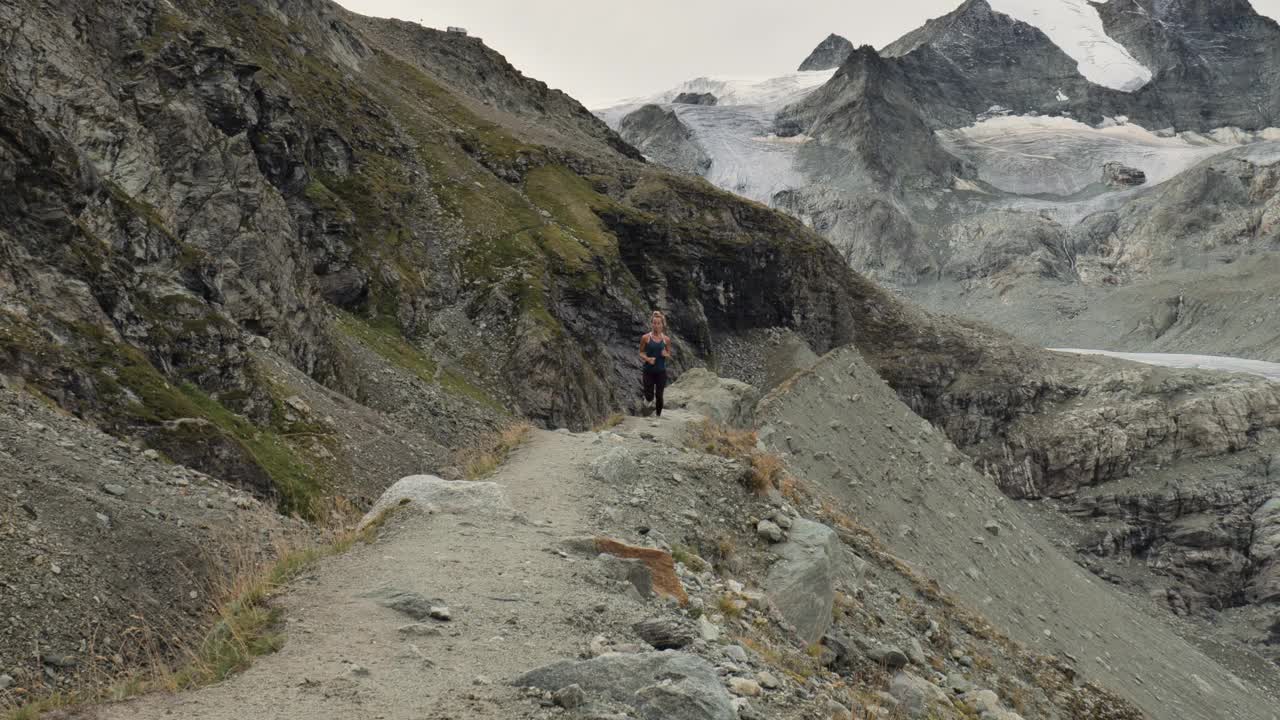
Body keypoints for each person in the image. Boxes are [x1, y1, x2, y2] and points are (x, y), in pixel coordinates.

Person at [638, 311, 672, 417]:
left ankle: (658, 417)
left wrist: (665, 354)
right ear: (651, 324)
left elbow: (669, 354)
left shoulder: (666, 339)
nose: (656, 325)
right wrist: (648, 359)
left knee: (659, 395)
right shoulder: (645, 338)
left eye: (658, 323)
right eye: (654, 323)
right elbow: (641, 352)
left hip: (661, 372)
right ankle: (648, 399)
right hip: (648, 371)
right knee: (649, 396)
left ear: (662, 325)